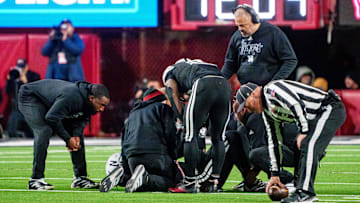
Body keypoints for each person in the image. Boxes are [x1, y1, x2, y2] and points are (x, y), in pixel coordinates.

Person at [235, 81, 346, 202]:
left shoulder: (271, 90)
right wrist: (275, 175)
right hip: (313, 117)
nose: (248, 110)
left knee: (308, 144)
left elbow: (295, 103)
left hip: (328, 107)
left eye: (246, 105)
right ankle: (299, 188)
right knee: (299, 145)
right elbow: (274, 142)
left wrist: (304, 131)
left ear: (253, 94)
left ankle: (306, 193)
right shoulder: (267, 112)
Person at [18, 79, 110, 190]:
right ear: (91, 98)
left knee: (77, 138)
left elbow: (81, 121)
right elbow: (51, 118)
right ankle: (35, 180)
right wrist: (67, 139)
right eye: (102, 105)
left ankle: (80, 178)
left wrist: (75, 136)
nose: (102, 109)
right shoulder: (72, 97)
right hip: (32, 97)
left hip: (52, 102)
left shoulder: (91, 103)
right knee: (44, 130)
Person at [162, 58, 231, 192]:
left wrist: (181, 119)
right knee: (218, 137)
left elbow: (172, 92)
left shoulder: (171, 71)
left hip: (204, 83)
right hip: (224, 84)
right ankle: (213, 183)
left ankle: (189, 182)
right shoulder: (201, 64)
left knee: (189, 134)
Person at [101, 88, 179, 193]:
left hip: (132, 159)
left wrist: (126, 169)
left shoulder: (132, 114)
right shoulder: (163, 108)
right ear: (163, 100)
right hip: (156, 156)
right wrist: (174, 155)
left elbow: (124, 144)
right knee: (171, 181)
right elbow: (170, 135)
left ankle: (122, 178)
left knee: (135, 183)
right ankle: (145, 178)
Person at [221, 4, 297, 86]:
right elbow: (230, 63)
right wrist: (219, 80)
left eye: (242, 25)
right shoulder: (237, 36)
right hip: (245, 88)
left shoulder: (273, 33)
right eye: (238, 25)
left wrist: (273, 84)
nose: (240, 29)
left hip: (267, 89)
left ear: (254, 20)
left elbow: (290, 60)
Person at [5, 58, 40, 138]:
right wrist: (10, 80)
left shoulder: (34, 75)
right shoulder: (14, 75)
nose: (21, 70)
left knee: (34, 131)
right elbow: (7, 92)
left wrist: (26, 82)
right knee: (12, 126)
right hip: (16, 106)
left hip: (30, 105)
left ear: (26, 67)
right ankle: (12, 132)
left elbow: (37, 92)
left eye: (23, 68)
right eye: (19, 67)